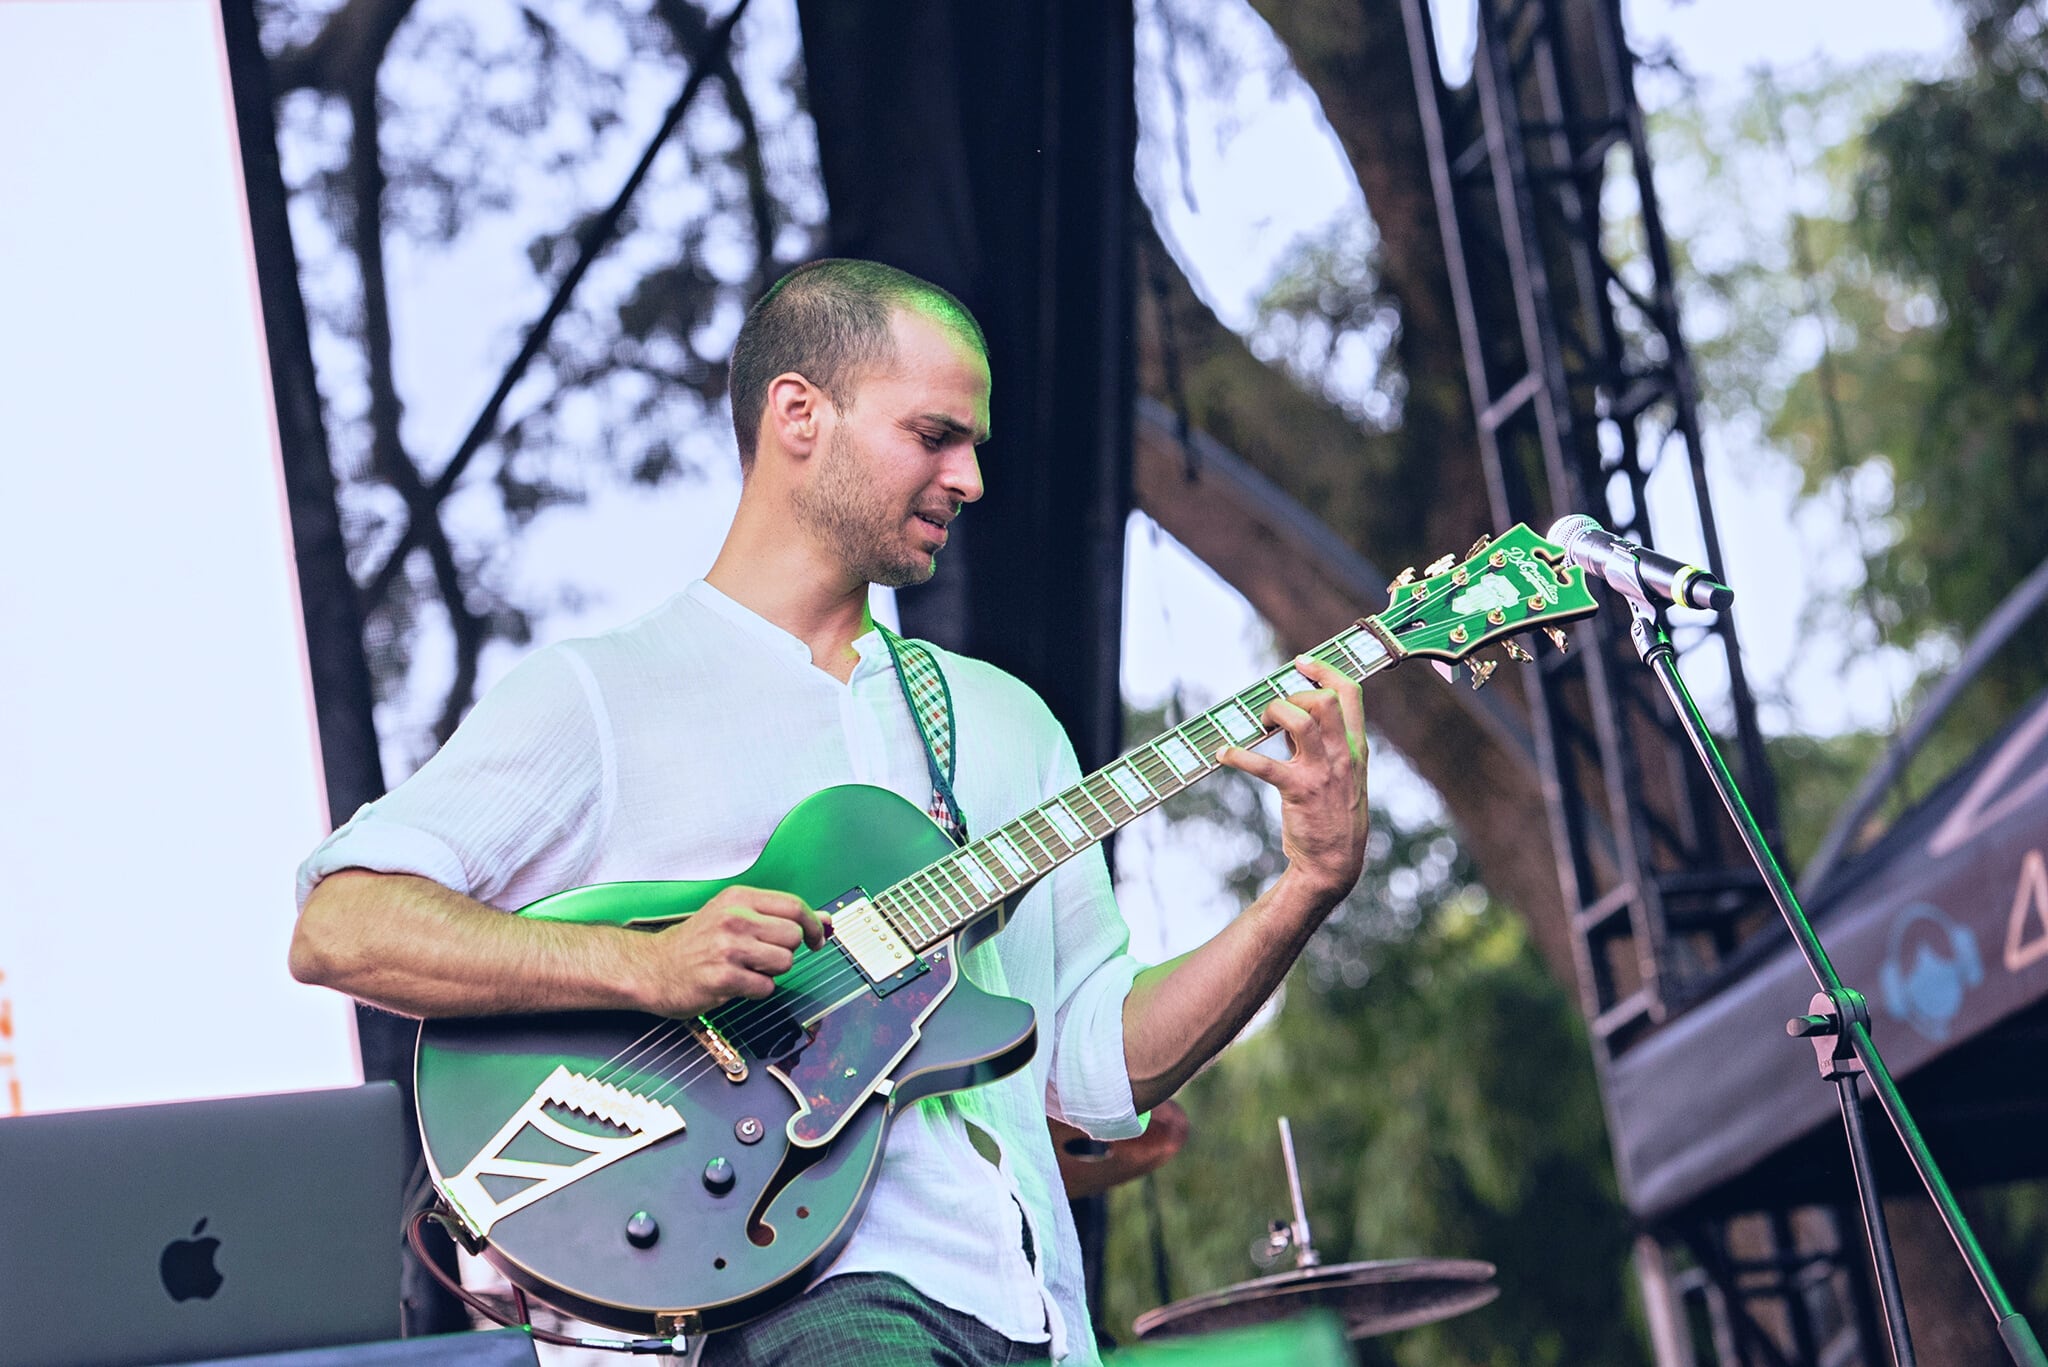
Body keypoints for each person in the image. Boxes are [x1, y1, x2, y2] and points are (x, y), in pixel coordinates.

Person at [290, 258, 1371, 1366]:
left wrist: (1305, 886)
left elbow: (1094, 1067)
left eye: (973, 446)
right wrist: (643, 963)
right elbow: (341, 924)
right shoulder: (602, 693)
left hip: (1032, 1314)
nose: (969, 479)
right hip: (789, 1296)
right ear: (799, 413)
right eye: (934, 435)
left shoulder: (1003, 721)